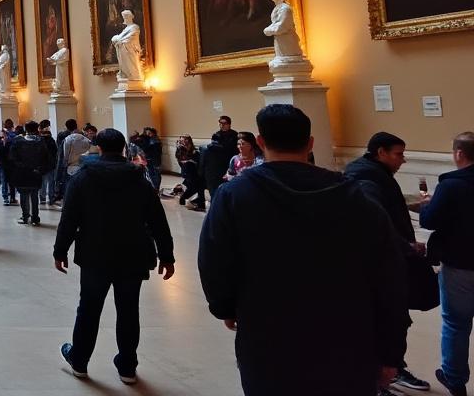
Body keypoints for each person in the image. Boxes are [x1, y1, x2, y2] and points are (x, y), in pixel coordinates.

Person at [198, 104, 407, 395]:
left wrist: (225, 307)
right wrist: (390, 352)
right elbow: (389, 276)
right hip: (346, 334)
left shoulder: (234, 195)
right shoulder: (356, 196)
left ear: (260, 142)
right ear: (310, 143)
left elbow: (214, 259)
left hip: (267, 332)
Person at [54, 127, 173, 384]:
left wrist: (60, 250)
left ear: (97, 147)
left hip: (95, 254)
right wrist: (167, 255)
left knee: (88, 309)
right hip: (133, 254)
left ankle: (80, 360)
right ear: (123, 149)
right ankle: (127, 366)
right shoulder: (140, 180)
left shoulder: (83, 178)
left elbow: (69, 218)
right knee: (129, 311)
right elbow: (157, 221)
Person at [345, 132, 433, 394]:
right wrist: (405, 245)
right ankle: (380, 379)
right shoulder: (365, 179)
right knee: (383, 322)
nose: (403, 160)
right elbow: (374, 224)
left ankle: (393, 369)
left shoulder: (374, 174)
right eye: (398, 154)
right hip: (376, 266)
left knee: (395, 320)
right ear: (380, 152)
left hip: (387, 259)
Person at [420, 131, 474, 396]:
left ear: (459, 153)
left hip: (461, 263)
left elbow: (429, 221)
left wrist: (427, 205)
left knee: (456, 322)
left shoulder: (450, 185)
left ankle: (455, 378)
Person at [8, 121, 50, 226]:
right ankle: (35, 217)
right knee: (34, 195)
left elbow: (12, 157)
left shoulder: (17, 141)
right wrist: (40, 169)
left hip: (22, 172)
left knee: (23, 194)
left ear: (25, 129)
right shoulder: (41, 141)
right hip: (36, 171)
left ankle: (25, 216)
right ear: (36, 129)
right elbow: (46, 158)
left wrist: (19, 166)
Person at [200, 116, 239, 207]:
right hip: (218, 165)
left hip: (230, 162)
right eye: (220, 123)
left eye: (224, 123)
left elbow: (231, 149)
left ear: (229, 124)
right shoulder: (216, 134)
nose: (222, 125)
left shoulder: (234, 135)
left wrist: (222, 148)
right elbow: (213, 146)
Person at [174, 135, 203, 207]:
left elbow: (198, 161)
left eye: (185, 140)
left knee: (199, 186)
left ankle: (201, 201)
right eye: (181, 140)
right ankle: (186, 199)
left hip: (195, 173)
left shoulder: (195, 151)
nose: (183, 142)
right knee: (193, 188)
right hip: (188, 173)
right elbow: (180, 160)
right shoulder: (180, 150)